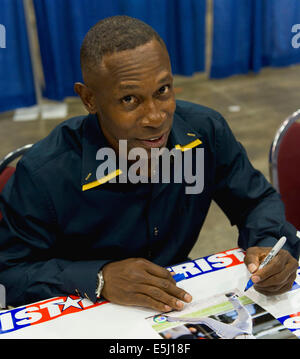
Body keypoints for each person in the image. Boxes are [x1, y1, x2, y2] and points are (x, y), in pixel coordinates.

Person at [0, 16, 299, 310]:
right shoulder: (45, 172)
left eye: (163, 91)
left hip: (180, 306)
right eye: (129, 99)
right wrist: (99, 277)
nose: (156, 118)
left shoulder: (205, 132)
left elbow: (256, 200)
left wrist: (268, 247)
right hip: (87, 312)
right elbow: (9, 273)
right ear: (89, 99)